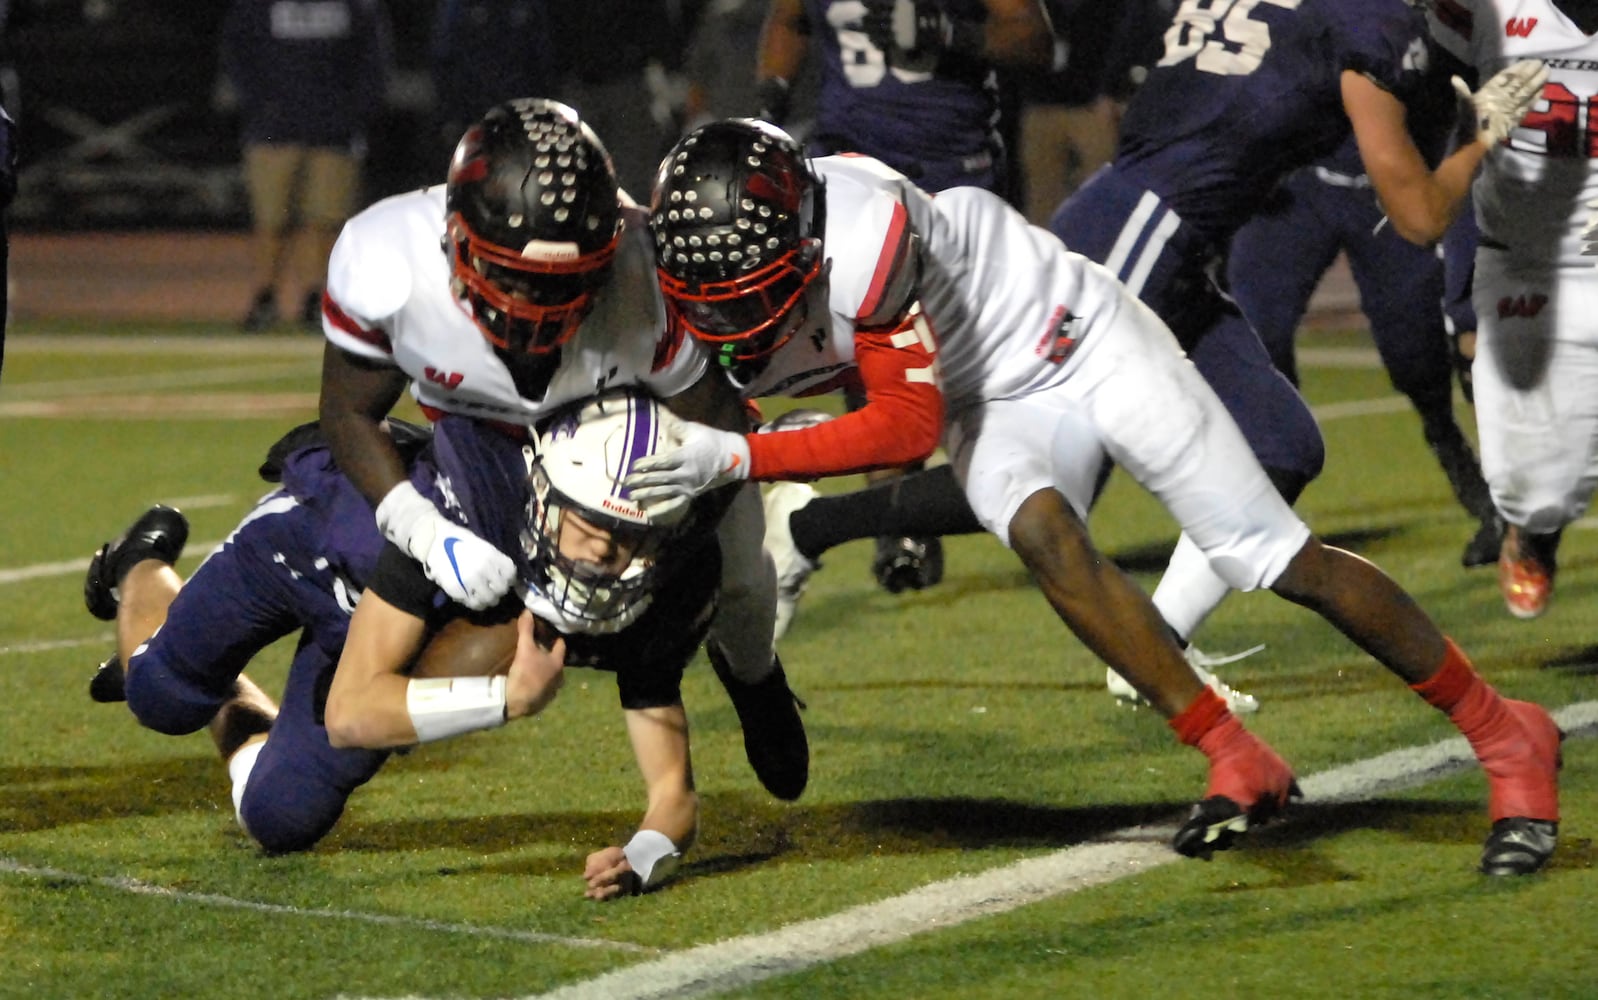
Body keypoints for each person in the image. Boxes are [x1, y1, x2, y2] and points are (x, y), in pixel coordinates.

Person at [632, 118, 1562, 875]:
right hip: (980, 391)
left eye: (745, 290)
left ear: (802, 235)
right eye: (703, 292)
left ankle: (1505, 732)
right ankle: (1233, 755)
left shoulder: (867, 232)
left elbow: (903, 432)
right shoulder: (692, 262)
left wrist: (739, 456)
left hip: (1070, 332)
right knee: (1044, 536)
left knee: (1271, 556)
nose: (725, 312)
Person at [312, 98, 807, 800]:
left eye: (561, 285)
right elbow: (347, 413)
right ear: (457, 241)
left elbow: (721, 439)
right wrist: (423, 532)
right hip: (484, 446)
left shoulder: (644, 278)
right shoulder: (389, 262)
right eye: (512, 279)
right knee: (480, 620)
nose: (532, 308)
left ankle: (754, 673)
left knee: (740, 575)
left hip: (635, 451)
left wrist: (647, 549)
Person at [82, 391, 721, 898]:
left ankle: (220, 686)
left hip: (378, 645)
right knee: (160, 698)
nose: (606, 553)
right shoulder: (471, 518)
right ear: (546, 495)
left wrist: (641, 858)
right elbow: (354, 713)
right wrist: (507, 698)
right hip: (313, 556)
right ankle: (139, 564)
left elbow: (673, 794)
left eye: (635, 534)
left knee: (279, 819)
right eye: (590, 524)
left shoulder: (662, 589)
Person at [756, 0, 1061, 593]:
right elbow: (788, 21)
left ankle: (982, 493)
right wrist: (771, 96)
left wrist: (951, 32)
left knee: (977, 357)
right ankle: (896, 518)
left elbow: (1035, 42)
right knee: (862, 334)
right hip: (847, 162)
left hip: (952, 171)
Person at [1227, 136, 1502, 570]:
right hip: (1301, 180)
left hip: (1392, 181)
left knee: (1415, 351)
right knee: (1252, 328)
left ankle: (1451, 446)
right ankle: (1270, 484)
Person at [1431, 0, 1597, 621]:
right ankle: (1532, 531)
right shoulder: (1491, 13)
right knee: (1540, 491)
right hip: (1528, 258)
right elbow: (1418, 75)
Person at [221, 0, 392, 332]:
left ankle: (317, 298)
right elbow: (237, 52)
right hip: (273, 129)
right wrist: (260, 106)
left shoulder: (357, 6)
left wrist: (354, 112)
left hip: (334, 130)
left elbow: (373, 58)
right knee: (271, 219)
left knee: (325, 219)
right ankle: (265, 296)